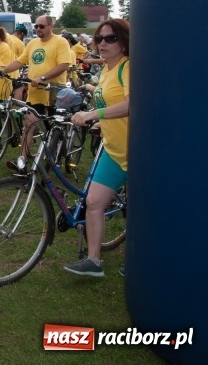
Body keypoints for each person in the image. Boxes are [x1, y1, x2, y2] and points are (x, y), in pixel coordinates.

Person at [64, 19, 130, 277]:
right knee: (93, 201)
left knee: (141, 212)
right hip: (113, 150)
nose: (102, 43)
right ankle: (93, 260)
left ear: (123, 42)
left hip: (137, 152)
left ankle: (139, 261)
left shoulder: (128, 67)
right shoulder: (108, 70)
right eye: (99, 38)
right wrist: (99, 121)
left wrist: (94, 115)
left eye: (110, 38)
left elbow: (131, 105)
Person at [0, 15, 71, 172]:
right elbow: (20, 61)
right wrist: (4, 69)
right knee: (29, 124)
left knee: (56, 127)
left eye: (42, 26)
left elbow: (64, 65)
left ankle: (60, 151)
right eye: (36, 26)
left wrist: (43, 77)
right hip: (36, 92)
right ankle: (22, 161)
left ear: (51, 26)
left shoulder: (60, 42)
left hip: (54, 90)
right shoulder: (33, 44)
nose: (38, 29)